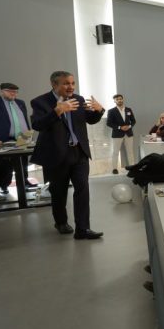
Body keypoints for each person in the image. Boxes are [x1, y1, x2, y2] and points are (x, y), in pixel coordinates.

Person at [30, 71, 105, 239]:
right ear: (54, 85)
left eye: (72, 83)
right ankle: (61, 222)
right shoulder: (40, 102)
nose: (70, 87)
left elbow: (89, 119)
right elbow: (37, 125)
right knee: (59, 192)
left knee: (82, 189)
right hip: (56, 155)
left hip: (79, 152)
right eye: (66, 83)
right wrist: (57, 111)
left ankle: (83, 229)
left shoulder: (78, 99)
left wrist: (99, 111)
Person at [0, 82, 34, 192]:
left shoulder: (20, 103)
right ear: (2, 91)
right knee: (5, 166)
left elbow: (23, 119)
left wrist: (28, 133)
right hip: (1, 139)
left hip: (22, 137)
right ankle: (3, 186)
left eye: (15, 92)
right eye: (10, 91)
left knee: (23, 162)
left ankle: (24, 182)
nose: (13, 94)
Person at [106, 94, 136, 174]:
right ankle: (114, 168)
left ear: (123, 100)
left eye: (120, 99)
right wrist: (120, 127)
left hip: (128, 133)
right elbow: (109, 123)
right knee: (115, 152)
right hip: (117, 134)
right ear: (114, 101)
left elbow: (133, 121)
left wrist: (129, 126)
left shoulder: (128, 110)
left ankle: (132, 167)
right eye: (117, 99)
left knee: (130, 151)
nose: (119, 100)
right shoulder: (111, 111)